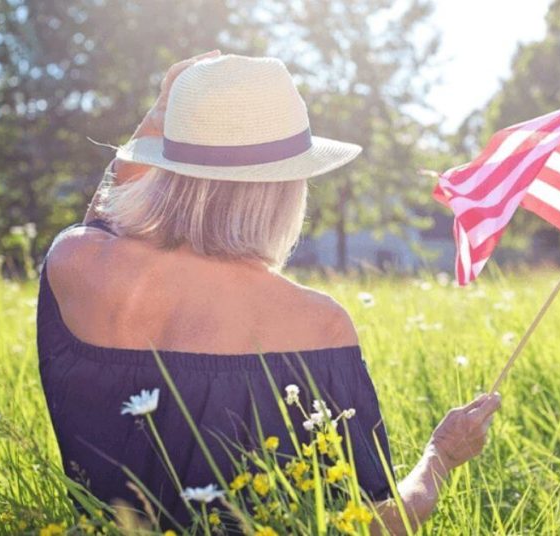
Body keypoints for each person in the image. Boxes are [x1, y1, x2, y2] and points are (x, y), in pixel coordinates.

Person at [37, 50, 501, 533]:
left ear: (165, 165)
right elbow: (370, 526)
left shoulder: (75, 262)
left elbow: (104, 219)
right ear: (286, 190)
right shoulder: (317, 323)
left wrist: (157, 122)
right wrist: (440, 457)